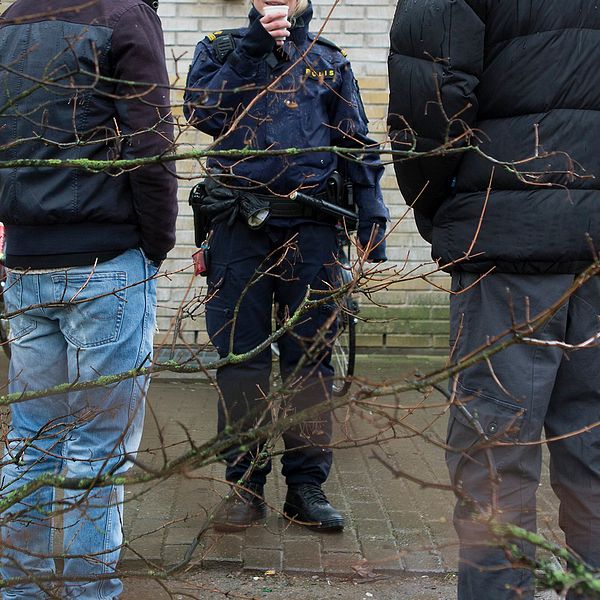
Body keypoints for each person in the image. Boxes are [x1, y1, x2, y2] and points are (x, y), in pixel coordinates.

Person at [388, 2, 600, 599]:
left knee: (494, 463)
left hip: (506, 246)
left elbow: (427, 101)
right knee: (595, 459)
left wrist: (444, 212)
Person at [184, 0, 388, 532]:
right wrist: (252, 48)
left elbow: (355, 142)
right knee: (241, 361)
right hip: (237, 230)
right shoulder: (220, 51)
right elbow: (204, 114)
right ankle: (244, 486)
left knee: (310, 365)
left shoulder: (328, 60)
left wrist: (371, 215)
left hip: (314, 232)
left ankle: (305, 488)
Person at [0, 0, 177, 597]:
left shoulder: (12, 21)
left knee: (32, 439)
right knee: (97, 451)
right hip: (106, 262)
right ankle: (87, 594)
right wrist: (154, 244)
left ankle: (17, 588)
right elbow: (151, 144)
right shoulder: (123, 17)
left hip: (26, 262)